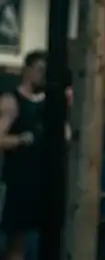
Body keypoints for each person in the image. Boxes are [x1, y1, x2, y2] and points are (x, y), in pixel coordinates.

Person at [0, 51, 46, 260]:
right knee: (16, 245)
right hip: (19, 184)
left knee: (48, 240)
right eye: (39, 70)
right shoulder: (11, 101)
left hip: (45, 183)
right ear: (27, 71)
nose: (43, 75)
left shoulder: (50, 102)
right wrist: (20, 140)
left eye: (46, 71)